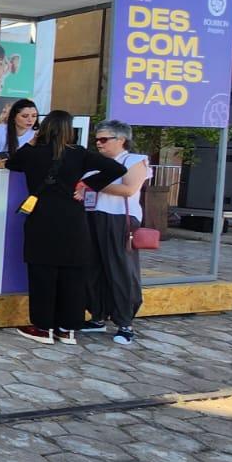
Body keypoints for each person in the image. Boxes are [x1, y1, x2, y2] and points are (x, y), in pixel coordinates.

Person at [3, 110, 125, 345]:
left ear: (44, 128)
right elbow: (117, 169)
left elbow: (12, 163)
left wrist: (32, 141)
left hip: (42, 218)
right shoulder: (78, 153)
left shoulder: (33, 153)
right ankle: (67, 329)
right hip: (73, 221)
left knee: (43, 274)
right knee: (73, 276)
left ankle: (43, 328)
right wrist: (87, 184)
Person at [81, 120, 150, 345]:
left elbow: (129, 188)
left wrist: (92, 184)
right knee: (93, 267)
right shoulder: (96, 162)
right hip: (93, 214)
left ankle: (125, 323)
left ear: (121, 140)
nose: (99, 144)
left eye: (104, 139)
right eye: (97, 140)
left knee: (121, 269)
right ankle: (97, 315)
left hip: (119, 218)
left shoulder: (134, 160)